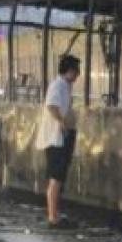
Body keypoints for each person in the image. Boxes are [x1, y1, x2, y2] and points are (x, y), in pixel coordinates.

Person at [36, 55, 80, 229]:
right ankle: (53, 217)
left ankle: (55, 215)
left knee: (58, 177)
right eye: (76, 71)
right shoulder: (58, 85)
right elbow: (51, 105)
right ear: (68, 70)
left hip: (61, 137)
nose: (78, 75)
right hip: (56, 138)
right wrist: (61, 122)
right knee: (56, 177)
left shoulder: (65, 86)